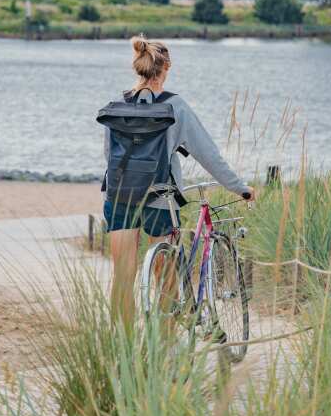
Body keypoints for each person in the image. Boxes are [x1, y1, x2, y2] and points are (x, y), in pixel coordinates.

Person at [103, 35, 254, 324]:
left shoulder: (116, 107)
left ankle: (120, 350)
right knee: (166, 278)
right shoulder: (175, 106)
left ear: (139, 67)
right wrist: (240, 188)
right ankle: (165, 354)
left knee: (122, 278)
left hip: (119, 195)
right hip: (161, 199)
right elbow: (208, 155)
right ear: (166, 69)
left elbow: (109, 156)